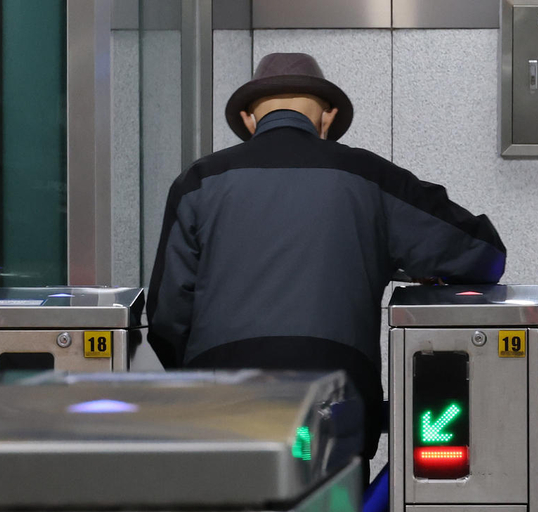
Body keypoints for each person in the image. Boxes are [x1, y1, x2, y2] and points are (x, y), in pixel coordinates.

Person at [147, 53, 506, 464]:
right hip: (334, 397)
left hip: (220, 405)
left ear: (249, 120)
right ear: (328, 118)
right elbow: (483, 254)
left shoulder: (199, 182)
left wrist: (199, 376)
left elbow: (167, 315)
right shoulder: (370, 177)